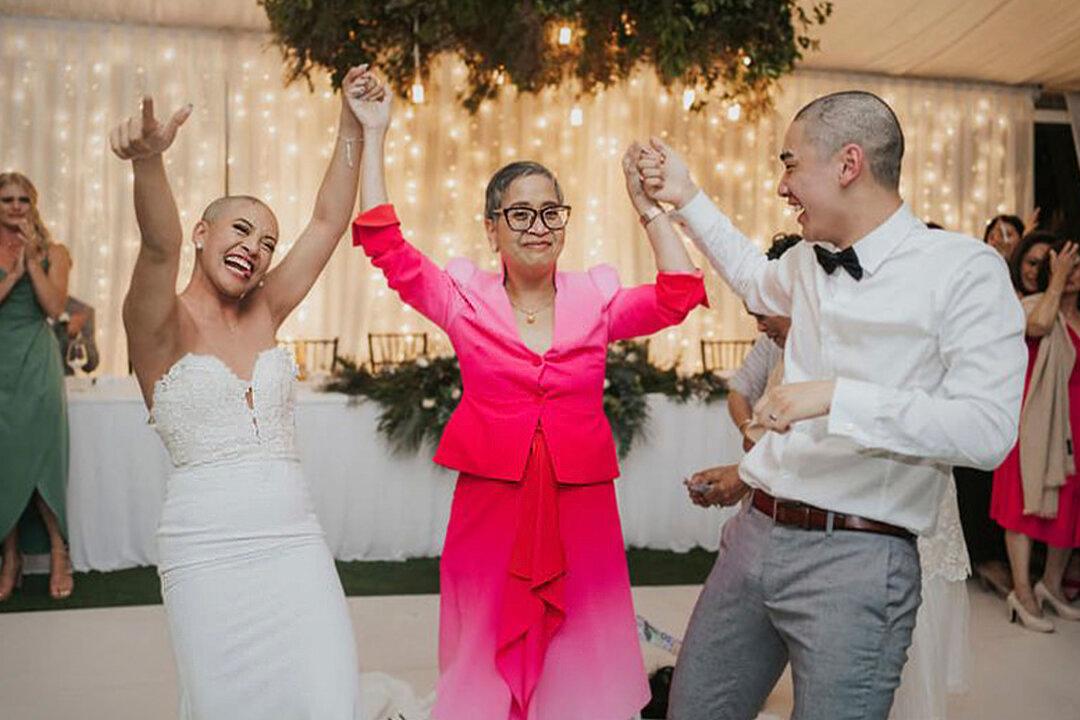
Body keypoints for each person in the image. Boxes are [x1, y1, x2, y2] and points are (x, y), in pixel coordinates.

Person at [637, 90, 1026, 720]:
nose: (782, 186)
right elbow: (748, 274)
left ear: (849, 164)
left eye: (790, 164)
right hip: (754, 535)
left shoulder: (965, 271)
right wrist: (686, 195)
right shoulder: (803, 263)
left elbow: (987, 430)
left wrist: (838, 398)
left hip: (859, 559)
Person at [351, 90, 706, 719]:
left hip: (580, 504)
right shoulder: (463, 298)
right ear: (491, 229)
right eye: (520, 214)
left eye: (550, 212)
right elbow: (386, 245)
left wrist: (648, 209)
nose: (538, 226)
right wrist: (374, 133)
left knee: (582, 643)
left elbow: (679, 293)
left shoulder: (596, 298)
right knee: (485, 645)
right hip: (493, 504)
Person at [108, 67, 382, 718]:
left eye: (266, 243)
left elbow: (327, 222)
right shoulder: (157, 325)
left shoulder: (265, 309)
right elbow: (158, 246)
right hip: (205, 552)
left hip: (295, 542)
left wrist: (351, 122)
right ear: (204, 235)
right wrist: (149, 162)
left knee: (330, 698)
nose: (255, 249)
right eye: (240, 230)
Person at [990, 238, 1080, 632]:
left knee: (1070, 504)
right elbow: (1040, 326)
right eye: (1064, 265)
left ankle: (1052, 585)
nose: (1072, 272)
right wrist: (1057, 280)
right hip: (1032, 420)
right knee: (1021, 503)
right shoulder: (1030, 306)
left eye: (1076, 266)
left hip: (1073, 422)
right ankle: (1023, 591)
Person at [0, 171, 73, 601]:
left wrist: (30, 263)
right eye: (6, 199)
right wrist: (10, 277)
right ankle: (11, 558)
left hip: (37, 361)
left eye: (22, 199)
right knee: (4, 461)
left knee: (43, 457)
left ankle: (59, 551)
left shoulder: (55, 252)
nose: (14, 206)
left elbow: (54, 306)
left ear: (33, 204)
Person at [724, 234, 799, 455]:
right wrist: (748, 429)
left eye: (762, 316)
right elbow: (739, 391)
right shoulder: (770, 344)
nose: (759, 328)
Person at [52, 295, 100, 375]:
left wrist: (76, 336)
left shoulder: (81, 310)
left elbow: (92, 364)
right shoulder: (30, 307)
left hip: (62, 380)